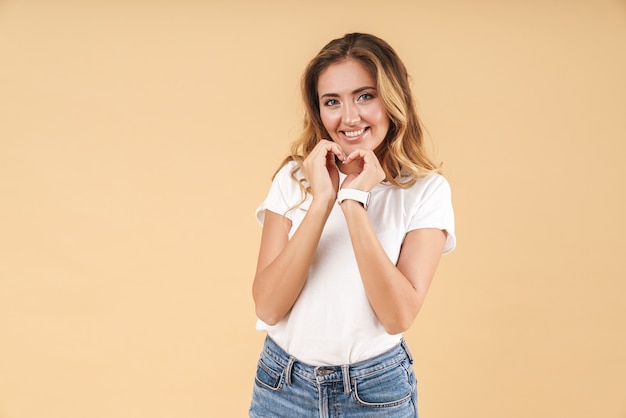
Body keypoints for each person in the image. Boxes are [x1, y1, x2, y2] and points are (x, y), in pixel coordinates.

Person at [249, 32, 456, 418]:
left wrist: (353, 201)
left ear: (393, 98)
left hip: (375, 392)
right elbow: (269, 306)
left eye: (365, 96)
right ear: (319, 111)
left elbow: (397, 316)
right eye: (332, 101)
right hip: (282, 386)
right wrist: (322, 200)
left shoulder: (426, 191)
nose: (349, 117)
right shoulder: (293, 179)